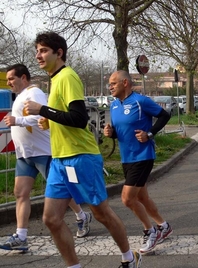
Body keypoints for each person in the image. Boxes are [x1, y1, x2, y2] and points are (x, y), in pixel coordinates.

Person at [24, 32, 141, 268]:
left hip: (81, 158)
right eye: (37, 50)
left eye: (44, 50)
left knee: (101, 214)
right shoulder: (54, 79)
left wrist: (42, 110)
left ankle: (130, 257)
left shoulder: (67, 77)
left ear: (59, 53)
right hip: (59, 160)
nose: (38, 55)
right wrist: (49, 119)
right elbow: (64, 115)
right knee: (52, 219)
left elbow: (78, 118)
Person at [0, 64, 92, 252]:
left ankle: (82, 216)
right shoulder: (20, 96)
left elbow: (42, 117)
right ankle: (22, 236)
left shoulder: (34, 94)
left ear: (23, 77)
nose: (8, 82)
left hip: (43, 152)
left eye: (11, 78)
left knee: (62, 191)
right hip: (25, 154)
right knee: (20, 193)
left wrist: (17, 120)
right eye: (8, 79)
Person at [104, 70, 173, 255]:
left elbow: (165, 115)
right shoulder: (114, 105)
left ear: (125, 82)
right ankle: (164, 226)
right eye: (109, 84)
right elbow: (122, 132)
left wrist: (149, 133)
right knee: (141, 197)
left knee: (127, 199)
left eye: (113, 83)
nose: (110, 87)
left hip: (143, 156)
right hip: (127, 157)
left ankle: (150, 231)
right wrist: (112, 133)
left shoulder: (140, 101)